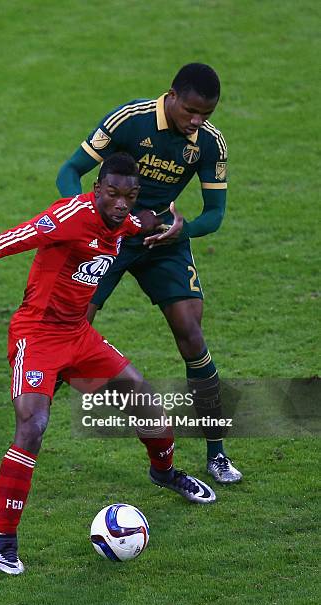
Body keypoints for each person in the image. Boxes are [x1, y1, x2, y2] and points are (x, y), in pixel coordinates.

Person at [0, 153, 215, 577]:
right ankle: (5, 542)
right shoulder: (68, 216)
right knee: (33, 427)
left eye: (128, 196)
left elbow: (134, 223)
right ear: (97, 190)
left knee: (145, 400)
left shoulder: (123, 220)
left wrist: (153, 222)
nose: (120, 203)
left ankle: (164, 473)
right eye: (112, 194)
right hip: (37, 337)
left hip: (78, 337)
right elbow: (12, 238)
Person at [56, 63, 242, 484]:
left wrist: (183, 229)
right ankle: (35, 418)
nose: (196, 121)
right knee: (70, 330)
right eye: (191, 111)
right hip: (110, 238)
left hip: (163, 240)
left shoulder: (210, 144)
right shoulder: (129, 120)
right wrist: (87, 219)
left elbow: (214, 214)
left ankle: (216, 453)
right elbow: (69, 172)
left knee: (192, 335)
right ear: (171, 95)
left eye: (206, 115)